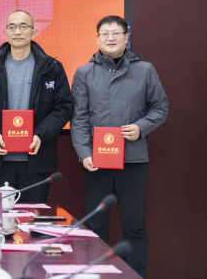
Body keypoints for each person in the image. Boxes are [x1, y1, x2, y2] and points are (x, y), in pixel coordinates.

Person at [71, 15, 168, 277]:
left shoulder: (145, 70)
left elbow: (160, 107)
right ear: (97, 38)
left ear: (127, 37)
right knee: (95, 226)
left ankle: (136, 274)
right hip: (96, 162)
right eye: (105, 33)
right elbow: (79, 118)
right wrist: (84, 153)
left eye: (116, 33)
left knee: (134, 225)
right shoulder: (84, 73)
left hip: (133, 160)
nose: (110, 38)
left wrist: (141, 127)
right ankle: (95, 274)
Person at [0, 10, 73, 202]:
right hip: (0, 159)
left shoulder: (52, 67)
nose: (17, 31)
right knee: (0, 216)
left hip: (37, 158)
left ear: (34, 32)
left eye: (23, 26)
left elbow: (64, 107)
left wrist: (40, 134)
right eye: (12, 27)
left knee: (33, 216)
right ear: (5, 33)